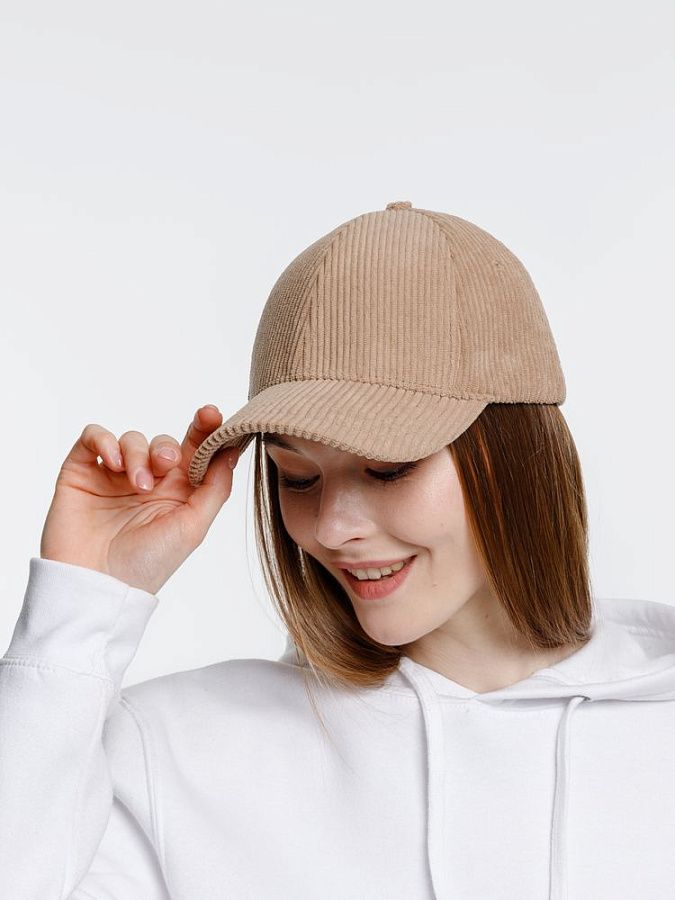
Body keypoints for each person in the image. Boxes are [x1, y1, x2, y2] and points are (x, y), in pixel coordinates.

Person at [1, 201, 675, 900]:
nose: (330, 527)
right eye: (297, 478)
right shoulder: (177, 752)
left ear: (515, 456)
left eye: (387, 469)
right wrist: (80, 604)